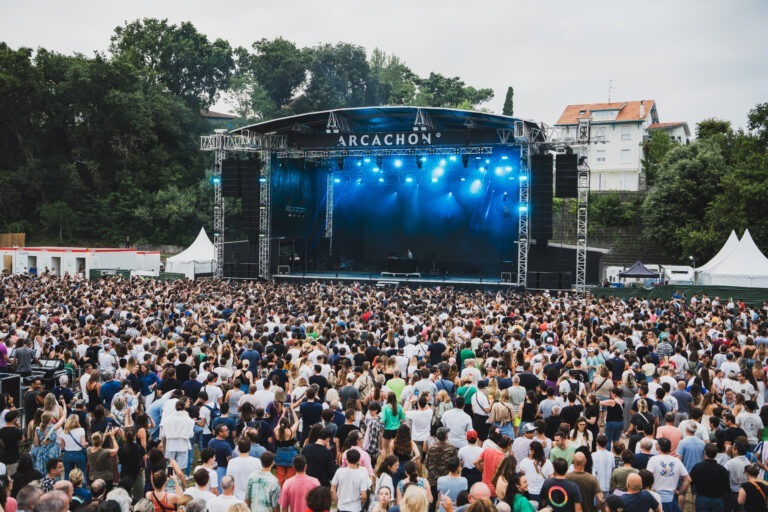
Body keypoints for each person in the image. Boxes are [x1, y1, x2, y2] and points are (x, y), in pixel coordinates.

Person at [646, 438, 690, 512]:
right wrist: (680, 492)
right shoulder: (677, 461)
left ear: (658, 447)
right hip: (671, 499)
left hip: (655, 497)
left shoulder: (653, 460)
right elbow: (688, 479)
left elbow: (647, 477)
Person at [690, 443, 730, 512]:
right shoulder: (722, 470)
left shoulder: (698, 467)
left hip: (702, 498)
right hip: (718, 500)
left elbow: (691, 480)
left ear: (705, 453)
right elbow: (727, 488)